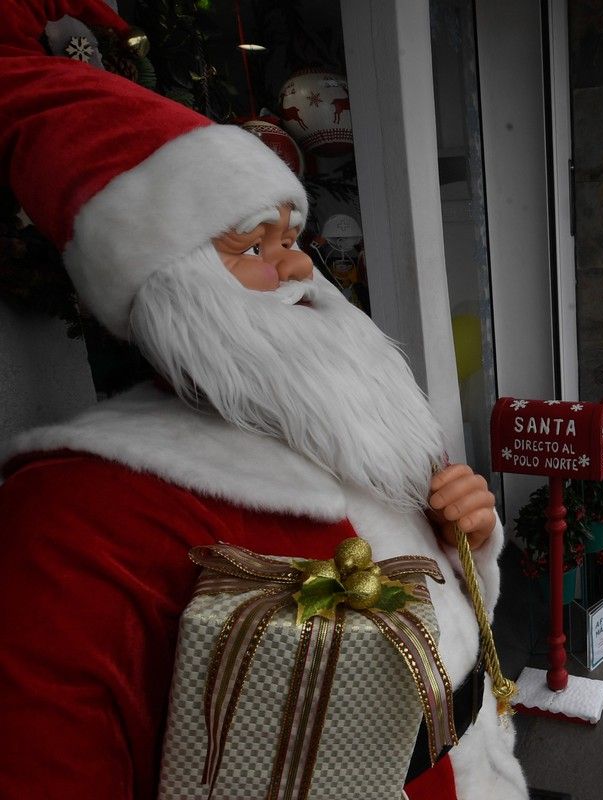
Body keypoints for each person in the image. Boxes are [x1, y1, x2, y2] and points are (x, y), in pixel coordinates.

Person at [0, 2, 526, 798]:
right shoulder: (74, 514)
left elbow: (445, 614)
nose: (298, 271)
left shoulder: (350, 425)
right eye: (253, 247)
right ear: (170, 287)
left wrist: (467, 540)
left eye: (291, 239)